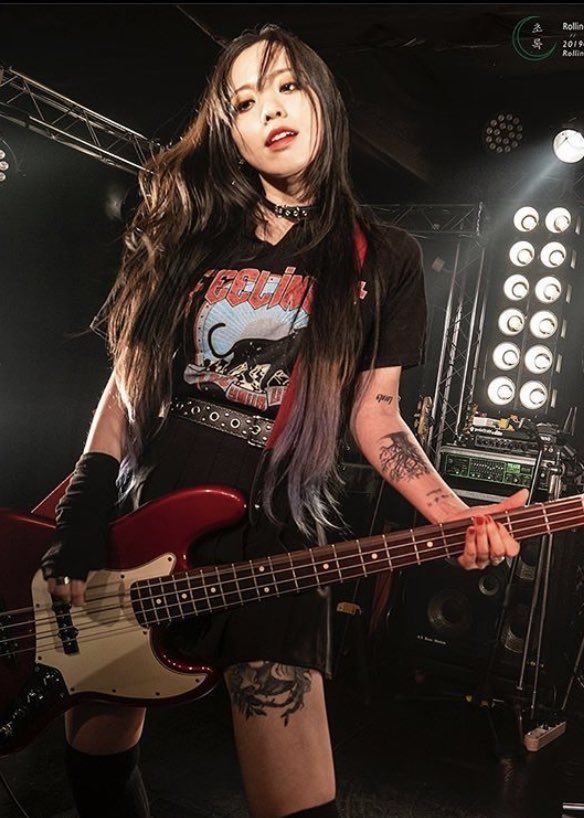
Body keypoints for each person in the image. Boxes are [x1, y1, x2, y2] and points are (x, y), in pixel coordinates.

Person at [41, 23, 527, 818]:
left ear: (324, 104)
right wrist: (84, 510)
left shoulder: (384, 256)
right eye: (244, 99)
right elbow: (129, 384)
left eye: (287, 85)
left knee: (298, 804)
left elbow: (376, 413)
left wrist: (453, 514)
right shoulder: (187, 237)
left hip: (276, 536)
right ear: (229, 136)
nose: (270, 107)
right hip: (146, 520)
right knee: (95, 764)